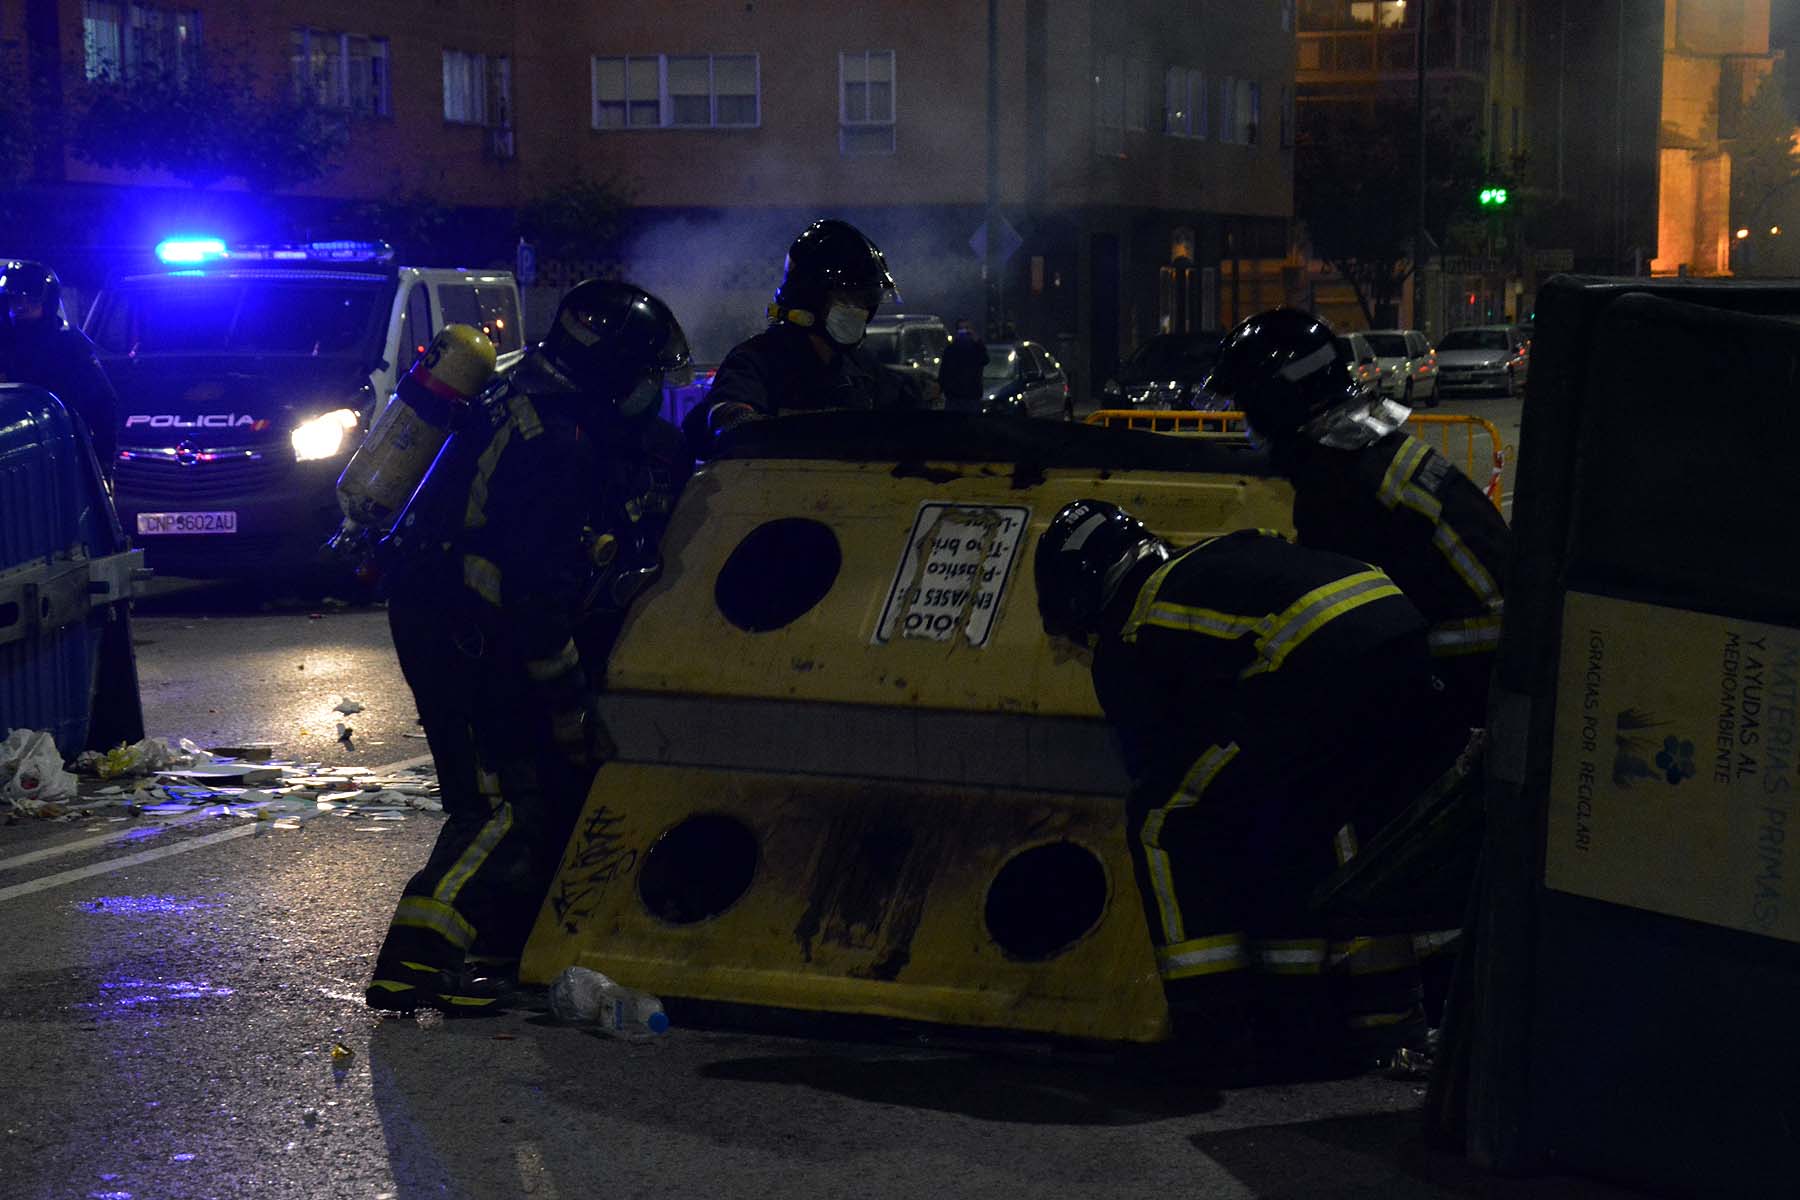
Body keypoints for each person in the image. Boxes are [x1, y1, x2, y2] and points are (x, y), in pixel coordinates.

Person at [1034, 501, 1467, 1076]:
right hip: (1410, 656)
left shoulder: (1132, 629)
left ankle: (1215, 1023)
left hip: (1325, 674)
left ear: (1084, 593)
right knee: (1346, 822)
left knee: (1164, 817)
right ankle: (1404, 1017)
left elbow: (1155, 761)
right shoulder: (1215, 558)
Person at [366, 279, 692, 1016]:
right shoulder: (557, 444)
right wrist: (568, 701)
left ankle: (490, 949)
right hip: (468, 627)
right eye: (644, 374)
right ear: (612, 369)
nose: (650, 390)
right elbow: (534, 591)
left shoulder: (526, 399)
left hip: (446, 611)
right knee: (501, 802)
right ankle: (414, 959)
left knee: (513, 786)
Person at [1204, 307, 1510, 731]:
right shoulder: (1368, 451)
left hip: (1476, 659)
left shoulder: (1340, 484)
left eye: (1246, 405)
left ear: (1274, 402)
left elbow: (1341, 621)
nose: (1245, 422)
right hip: (1497, 640)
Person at [683, 218, 919, 452]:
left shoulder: (861, 369)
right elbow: (730, 420)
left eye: (866, 299)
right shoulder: (755, 361)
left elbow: (912, 412)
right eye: (848, 297)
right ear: (809, 296)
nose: (860, 310)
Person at [0, 260, 119, 481]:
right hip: (10, 451)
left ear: (47, 302)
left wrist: (102, 461)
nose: (20, 307)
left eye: (30, 300)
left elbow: (102, 403)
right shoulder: (3, 343)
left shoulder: (70, 344)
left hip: (60, 451)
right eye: (15, 299)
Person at [937, 317, 987, 414]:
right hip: (963, 397)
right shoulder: (971, 348)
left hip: (962, 397)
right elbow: (985, 360)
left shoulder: (951, 349)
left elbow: (943, 373)